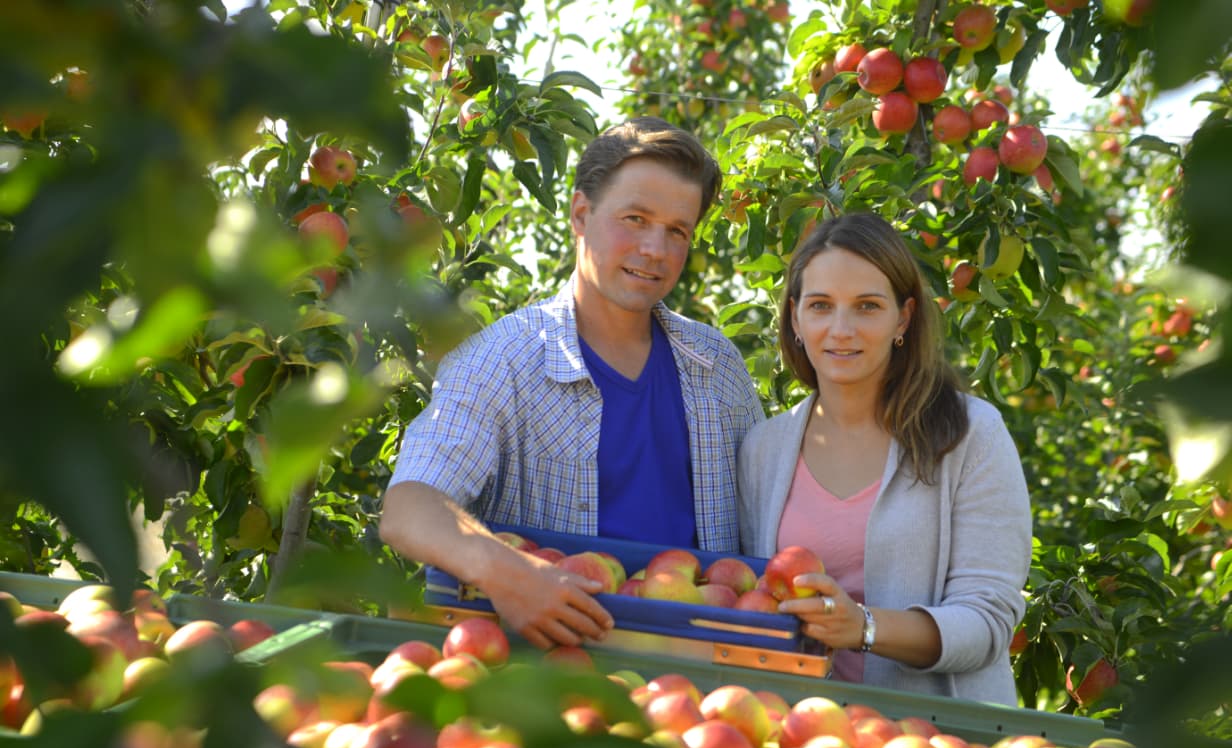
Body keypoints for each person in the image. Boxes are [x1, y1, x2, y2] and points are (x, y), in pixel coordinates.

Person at [381, 117, 765, 651]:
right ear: (581, 215)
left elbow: (768, 525)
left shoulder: (715, 365)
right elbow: (409, 506)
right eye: (635, 218)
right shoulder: (503, 359)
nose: (655, 248)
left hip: (701, 676)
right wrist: (510, 574)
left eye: (677, 230)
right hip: (549, 671)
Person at [737, 212, 1031, 705]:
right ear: (795, 318)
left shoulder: (970, 435)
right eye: (821, 306)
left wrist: (865, 627)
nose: (841, 329)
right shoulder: (764, 450)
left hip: (940, 744)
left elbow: (990, 619)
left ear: (904, 317)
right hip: (800, 737)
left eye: (867, 307)